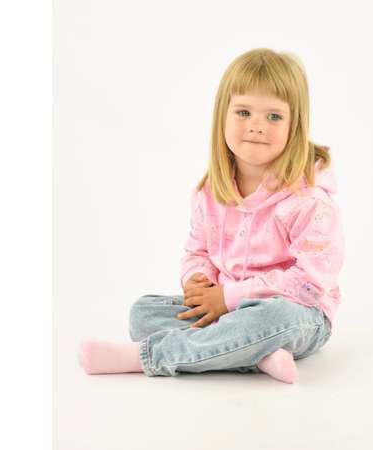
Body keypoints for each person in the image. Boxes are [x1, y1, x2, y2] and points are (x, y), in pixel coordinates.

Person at [78, 48, 345, 384]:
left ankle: (150, 356)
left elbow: (309, 286)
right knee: (142, 314)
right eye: (244, 112)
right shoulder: (210, 192)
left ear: (295, 125)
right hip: (226, 308)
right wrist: (198, 280)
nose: (257, 126)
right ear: (223, 116)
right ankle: (256, 354)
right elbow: (197, 250)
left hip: (298, 314)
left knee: (270, 318)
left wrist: (228, 298)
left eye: (274, 117)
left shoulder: (309, 202)